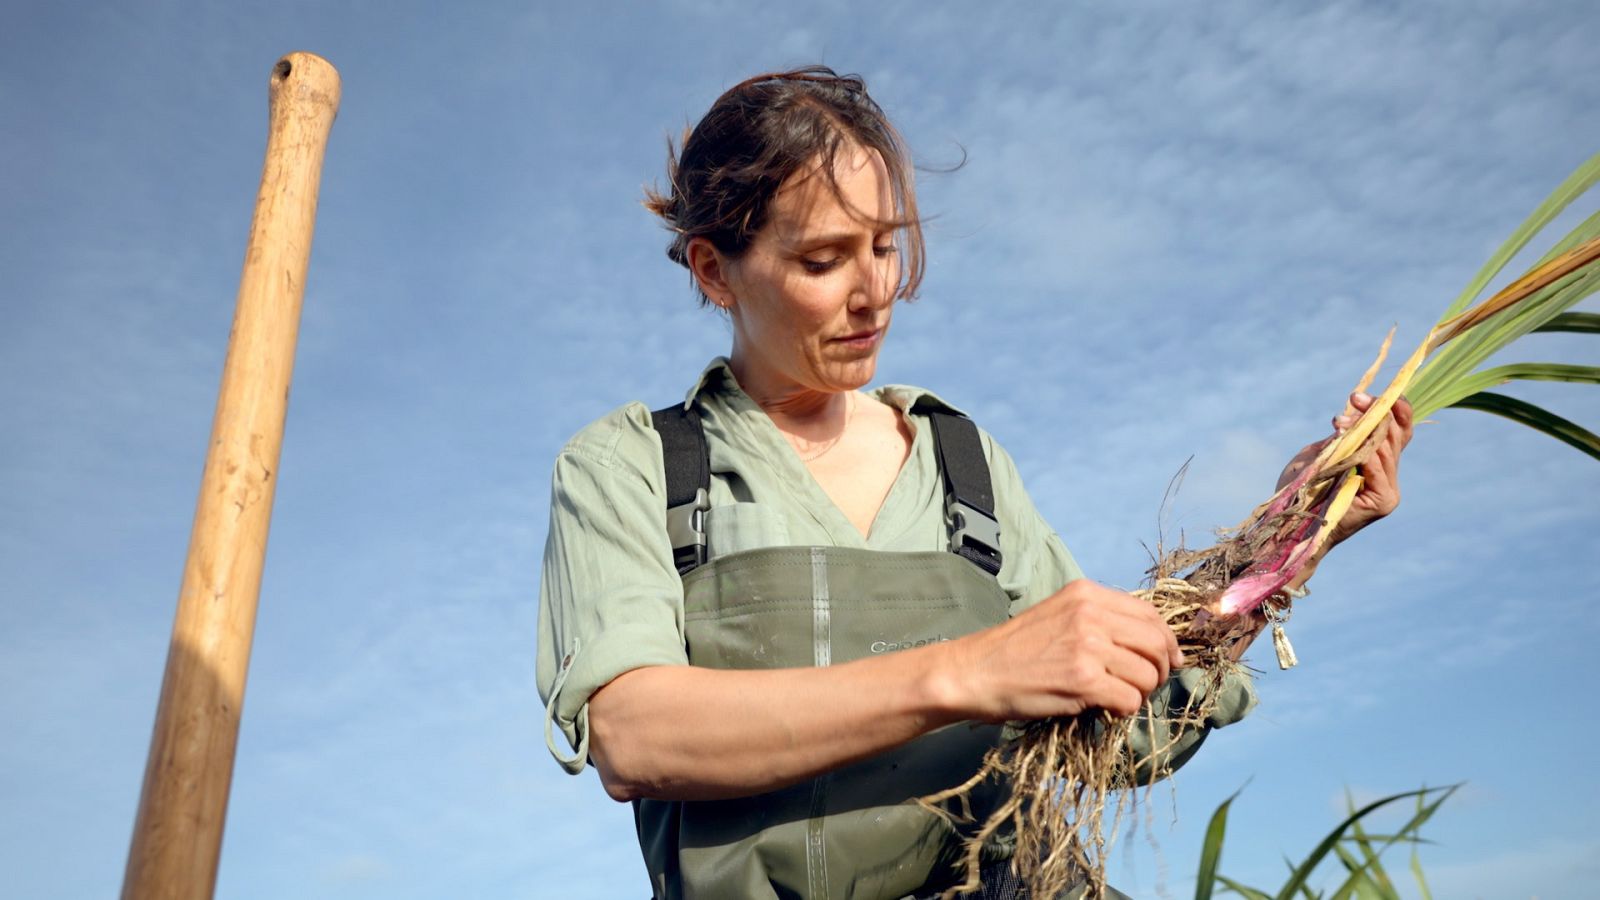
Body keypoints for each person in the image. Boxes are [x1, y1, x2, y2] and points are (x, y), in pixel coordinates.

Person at [535, 67, 1414, 900]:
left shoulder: (965, 465)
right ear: (713, 269)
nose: (873, 292)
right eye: (821, 260)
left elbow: (1114, 723)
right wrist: (973, 671)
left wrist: (1297, 532)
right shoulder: (635, 466)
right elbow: (637, 733)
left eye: (884, 247)